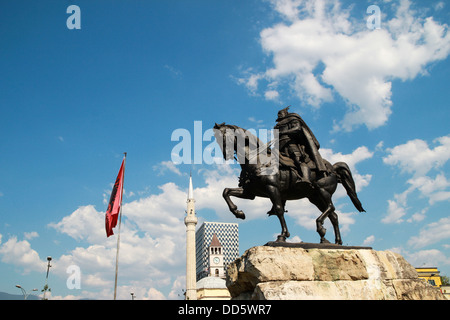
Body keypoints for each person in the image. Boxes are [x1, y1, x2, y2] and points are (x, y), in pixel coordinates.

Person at [274, 106, 327, 183]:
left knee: (298, 160)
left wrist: (283, 132)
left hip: (291, 144)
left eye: (280, 113)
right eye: (278, 114)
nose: (279, 115)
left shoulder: (292, 119)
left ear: (286, 113)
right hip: (279, 146)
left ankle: (306, 178)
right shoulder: (277, 125)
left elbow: (297, 128)